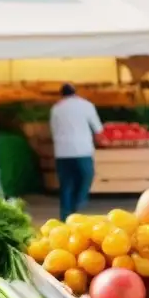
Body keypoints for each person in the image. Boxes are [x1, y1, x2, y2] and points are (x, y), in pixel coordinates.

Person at [50, 83, 103, 220]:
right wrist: (100, 143)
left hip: (62, 152)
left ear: (61, 94)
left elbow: (53, 130)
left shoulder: (56, 108)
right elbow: (98, 130)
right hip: (82, 150)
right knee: (86, 177)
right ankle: (79, 204)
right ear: (75, 92)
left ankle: (65, 217)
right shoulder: (86, 105)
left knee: (66, 185)